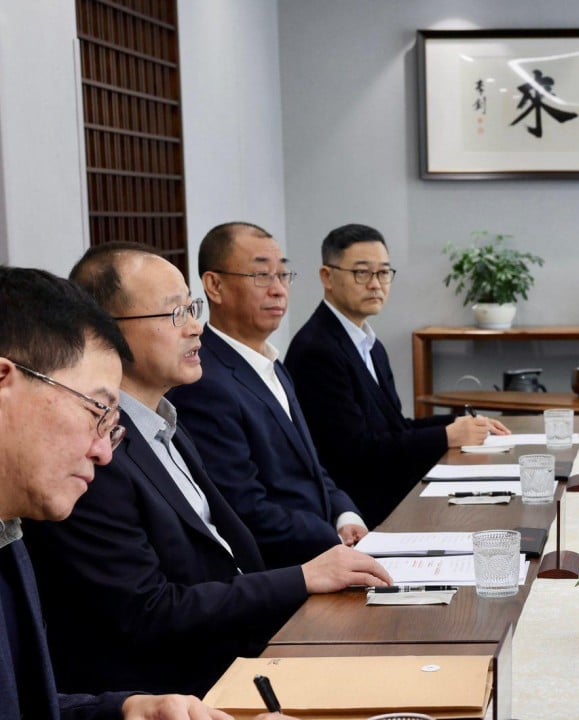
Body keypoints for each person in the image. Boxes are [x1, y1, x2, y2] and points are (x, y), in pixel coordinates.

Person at [21, 245, 392, 697]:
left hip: (249, 645)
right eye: (175, 313)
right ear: (107, 332)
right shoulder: (98, 455)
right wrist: (302, 578)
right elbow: (147, 611)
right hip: (182, 688)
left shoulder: (167, 423)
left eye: (192, 308)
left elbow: (228, 553)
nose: (196, 326)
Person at [0, 265, 238, 720]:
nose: (103, 452)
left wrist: (129, 709)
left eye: (111, 425)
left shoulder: (10, 531)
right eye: (96, 411)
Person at [168, 222, 367, 568]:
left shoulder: (271, 361)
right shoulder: (204, 382)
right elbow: (244, 508)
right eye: (261, 275)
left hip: (327, 549)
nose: (278, 290)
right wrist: (331, 539)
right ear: (215, 286)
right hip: (285, 572)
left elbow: (310, 467)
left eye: (283, 275)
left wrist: (344, 515)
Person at [284, 224, 507, 526]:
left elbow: (395, 428)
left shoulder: (370, 345)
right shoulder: (317, 349)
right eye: (362, 273)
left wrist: (459, 424)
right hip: (361, 512)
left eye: (384, 273)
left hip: (393, 493)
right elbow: (354, 453)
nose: (376, 284)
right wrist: (446, 436)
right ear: (327, 277)